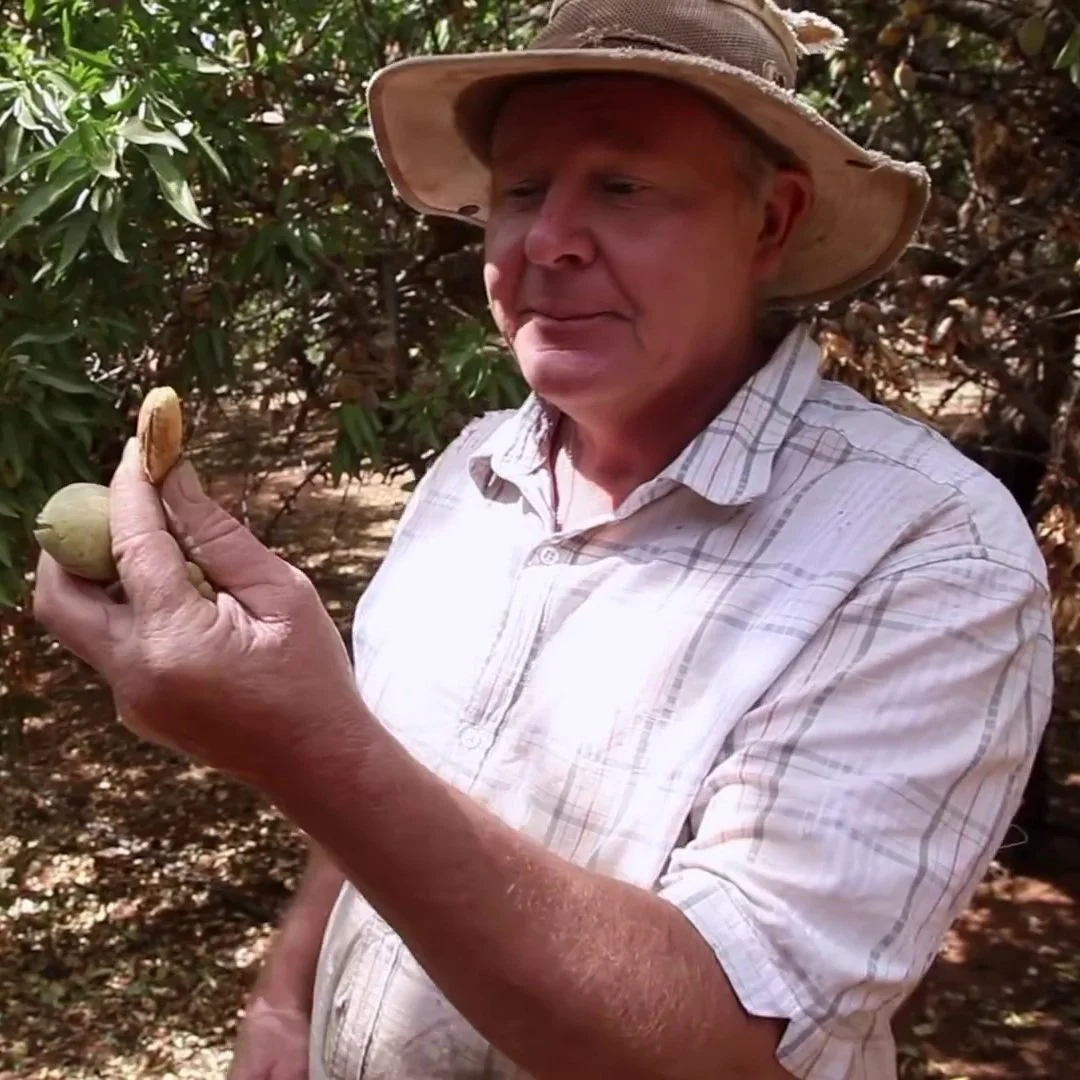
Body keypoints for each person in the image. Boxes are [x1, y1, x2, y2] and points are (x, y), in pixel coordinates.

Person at [33, 1, 1054, 1078]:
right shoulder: (473, 475)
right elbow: (402, 778)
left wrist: (304, 747)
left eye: (622, 186)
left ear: (771, 222)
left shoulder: (928, 552)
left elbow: (721, 1047)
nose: (545, 240)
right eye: (520, 190)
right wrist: (289, 998)